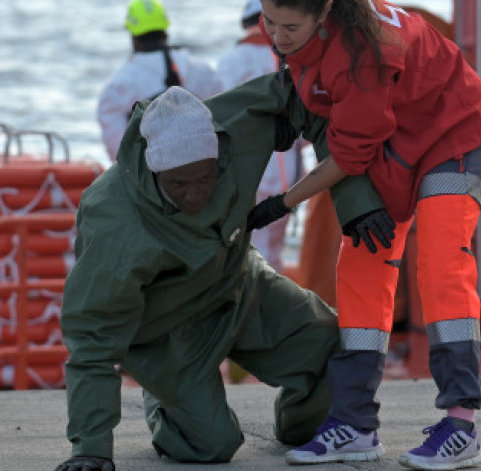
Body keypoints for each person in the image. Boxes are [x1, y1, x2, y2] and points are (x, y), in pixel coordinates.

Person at [53, 78, 384, 471]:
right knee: (211, 446)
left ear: (220, 153)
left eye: (206, 178)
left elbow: (315, 99)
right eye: (179, 183)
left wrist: (357, 204)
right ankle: (164, 400)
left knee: (336, 347)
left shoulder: (242, 124)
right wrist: (91, 448)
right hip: (167, 332)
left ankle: (300, 426)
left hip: (237, 281)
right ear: (155, 170)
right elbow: (92, 335)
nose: (195, 193)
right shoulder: (114, 221)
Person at [246, 0, 481, 469]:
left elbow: (347, 158)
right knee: (360, 266)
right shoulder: (303, 30)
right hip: (394, 140)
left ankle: (461, 426)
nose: (277, 36)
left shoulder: (363, 52)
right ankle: (355, 425)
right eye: (270, 22)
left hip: (452, 135)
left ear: (325, 14)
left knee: (442, 266)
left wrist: (282, 203)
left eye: (290, 27)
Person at [215, 0, 304, 273]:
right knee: (273, 252)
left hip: (247, 172)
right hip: (291, 176)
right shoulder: (297, 57)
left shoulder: (230, 62)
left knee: (249, 251)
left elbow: (220, 121)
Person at [96, 0, 224, 161]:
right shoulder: (200, 70)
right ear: (165, 31)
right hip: (202, 167)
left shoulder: (119, 85)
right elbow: (222, 116)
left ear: (134, 37)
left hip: (154, 174)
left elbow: (118, 151)